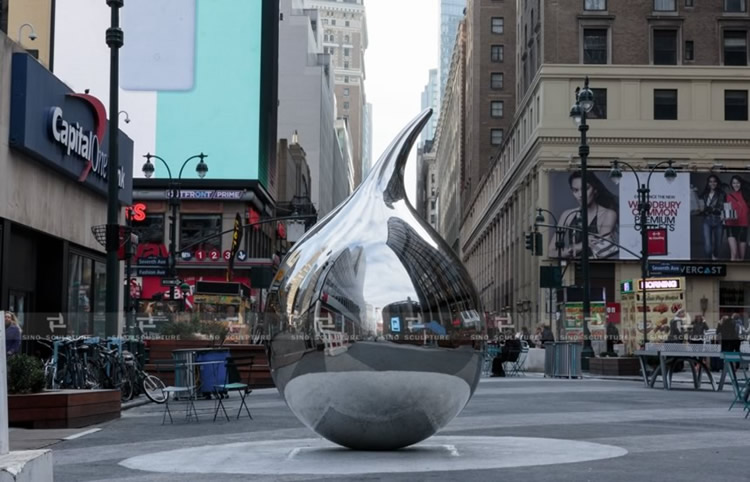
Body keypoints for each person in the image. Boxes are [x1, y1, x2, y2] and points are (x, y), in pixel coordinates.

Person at [555, 171, 618, 259]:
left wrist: (571, 249)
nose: (580, 195)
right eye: (575, 190)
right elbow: (551, 252)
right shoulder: (568, 215)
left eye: (585, 189)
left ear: (595, 189)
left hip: (599, 269)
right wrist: (582, 245)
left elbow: (601, 251)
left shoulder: (608, 214)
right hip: (572, 268)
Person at [699, 175, 726, 260]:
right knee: (708, 246)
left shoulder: (721, 194)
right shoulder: (704, 194)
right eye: (710, 181)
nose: (712, 183)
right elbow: (701, 208)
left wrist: (711, 209)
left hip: (718, 220)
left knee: (718, 244)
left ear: (717, 183)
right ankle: (709, 260)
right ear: (708, 183)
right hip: (707, 221)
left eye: (714, 181)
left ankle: (715, 256)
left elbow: (722, 207)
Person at [724, 175, 750, 261]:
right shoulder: (728, 196)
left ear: (741, 183)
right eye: (734, 183)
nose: (736, 185)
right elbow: (725, 210)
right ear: (731, 184)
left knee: (741, 258)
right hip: (731, 225)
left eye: (737, 183)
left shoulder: (747, 195)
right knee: (734, 254)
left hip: (743, 225)